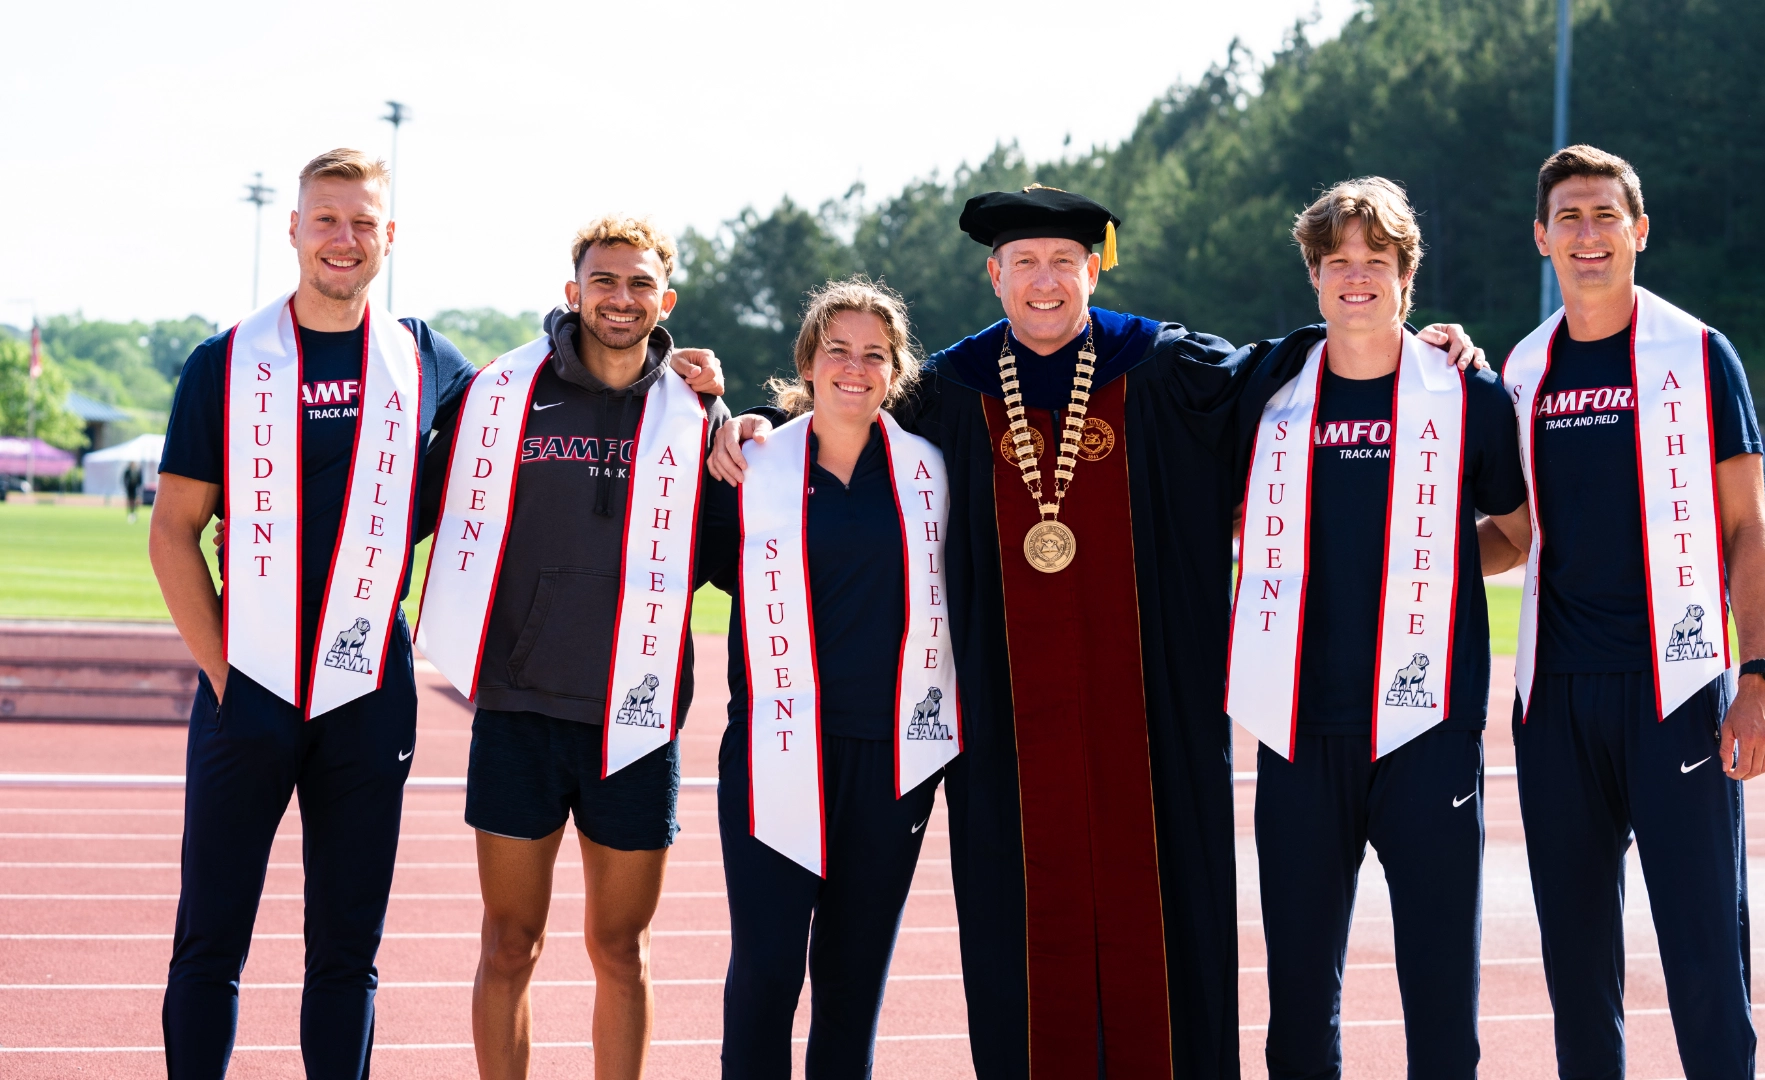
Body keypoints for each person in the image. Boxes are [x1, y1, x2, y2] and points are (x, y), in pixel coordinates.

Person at [709, 187, 1482, 1079]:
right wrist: (746, 424)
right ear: (994, 273)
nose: (1046, 282)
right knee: (1016, 918)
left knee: (1161, 911)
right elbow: (842, 415)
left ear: (1094, 268)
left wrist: (1407, 345)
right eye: (1025, 263)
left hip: (1148, 717)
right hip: (1006, 727)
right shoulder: (949, 393)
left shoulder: (1159, 367)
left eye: (1064, 263)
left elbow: (1285, 371)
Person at [148, 148, 478, 1078]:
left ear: (388, 238)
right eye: (325, 219)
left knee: (345, 954)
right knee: (210, 941)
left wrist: (686, 384)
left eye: (362, 222)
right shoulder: (224, 360)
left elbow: (547, 401)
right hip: (246, 687)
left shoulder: (427, 362)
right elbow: (175, 532)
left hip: (368, 691)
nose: (343, 238)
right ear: (292, 228)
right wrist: (223, 672)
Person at [1223, 178, 1531, 1079]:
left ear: (1407, 277)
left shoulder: (1467, 394)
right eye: (1338, 261)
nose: (1356, 277)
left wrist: (1418, 559)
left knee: (1441, 991)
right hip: (1297, 730)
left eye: (1377, 261)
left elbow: (1512, 536)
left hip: (1425, 728)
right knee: (1298, 1001)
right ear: (1314, 277)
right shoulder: (1265, 387)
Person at [411, 215, 724, 1080]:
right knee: (510, 943)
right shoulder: (501, 393)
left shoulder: (699, 411)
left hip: (637, 713)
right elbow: (411, 496)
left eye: (638, 284)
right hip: (519, 708)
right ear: (572, 289)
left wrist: (751, 424)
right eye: (603, 280)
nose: (619, 299)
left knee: (622, 950)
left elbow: (748, 540)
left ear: (665, 298)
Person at [1501, 145, 1765, 1080]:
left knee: (1704, 959)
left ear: (1640, 231)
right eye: (1568, 219)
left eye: (1605, 216)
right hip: (1557, 703)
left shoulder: (1700, 354)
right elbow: (1513, 538)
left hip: (1677, 693)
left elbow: (1746, 528)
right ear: (1542, 237)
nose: (1588, 235)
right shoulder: (1523, 368)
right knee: (1577, 975)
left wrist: (1759, 678)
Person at [698, 279, 958, 1077]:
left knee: (851, 983)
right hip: (775, 752)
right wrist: (694, 394)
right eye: (836, 350)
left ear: (896, 370)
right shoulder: (748, 464)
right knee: (767, 976)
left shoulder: (934, 471)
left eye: (874, 354)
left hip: (892, 765)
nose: (855, 367)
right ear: (807, 363)